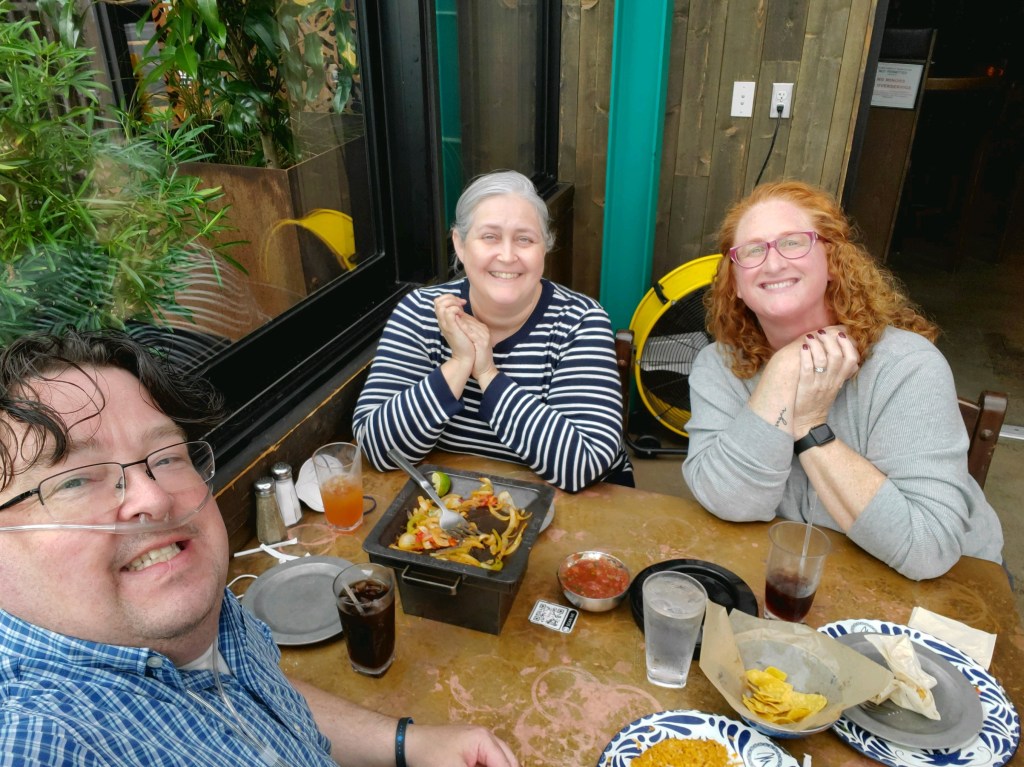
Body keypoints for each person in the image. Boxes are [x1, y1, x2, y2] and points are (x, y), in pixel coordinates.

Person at [0, 330, 519, 767]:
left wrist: (406, 743)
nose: (153, 498)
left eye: (167, 456)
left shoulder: (203, 607)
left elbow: (258, 701)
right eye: (74, 481)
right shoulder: (41, 740)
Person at [682, 180, 1003, 581]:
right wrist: (783, 372)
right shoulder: (719, 366)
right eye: (752, 251)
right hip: (800, 571)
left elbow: (926, 548)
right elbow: (728, 501)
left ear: (833, 262)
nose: (773, 263)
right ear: (735, 284)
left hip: (950, 585)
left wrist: (810, 425)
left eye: (793, 243)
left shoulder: (907, 366)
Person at [354, 170, 632, 492]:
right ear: (460, 244)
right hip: (457, 503)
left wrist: (487, 374)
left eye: (525, 239)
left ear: (544, 248)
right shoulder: (421, 312)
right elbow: (378, 450)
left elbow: (584, 465)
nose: (508, 255)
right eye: (490, 237)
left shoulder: (580, 321)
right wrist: (459, 363)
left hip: (580, 507)